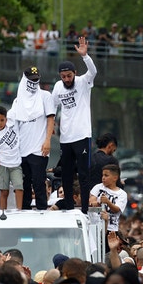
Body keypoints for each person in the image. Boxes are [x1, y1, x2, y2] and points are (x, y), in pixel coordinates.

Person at [52, 35, 97, 212]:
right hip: (65, 138)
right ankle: (69, 208)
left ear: (74, 74)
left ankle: (84, 209)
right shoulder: (57, 86)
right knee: (66, 175)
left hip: (82, 135)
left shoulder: (83, 82)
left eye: (69, 76)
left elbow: (93, 72)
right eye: (63, 77)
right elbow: (53, 106)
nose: (66, 79)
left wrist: (85, 56)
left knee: (84, 175)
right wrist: (53, 126)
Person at [11, 66, 55, 210]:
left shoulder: (45, 96)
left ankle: (42, 211)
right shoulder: (18, 101)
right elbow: (13, 125)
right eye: (31, 80)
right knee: (23, 183)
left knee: (39, 182)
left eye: (36, 80)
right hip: (22, 149)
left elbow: (50, 118)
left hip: (39, 148)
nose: (33, 83)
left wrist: (48, 140)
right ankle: (23, 211)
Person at [0, 105, 24, 211]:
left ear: (6, 119)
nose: (0, 123)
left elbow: (17, 104)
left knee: (19, 187)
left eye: (2, 120)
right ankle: (3, 211)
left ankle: (19, 210)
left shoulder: (12, 125)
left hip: (15, 164)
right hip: (2, 165)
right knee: (4, 191)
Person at [88, 164, 127, 233]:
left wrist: (107, 202)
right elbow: (92, 199)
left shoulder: (122, 194)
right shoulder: (98, 187)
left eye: (106, 175)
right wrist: (95, 202)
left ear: (115, 178)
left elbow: (117, 210)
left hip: (111, 229)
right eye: (102, 175)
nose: (103, 178)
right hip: (95, 226)